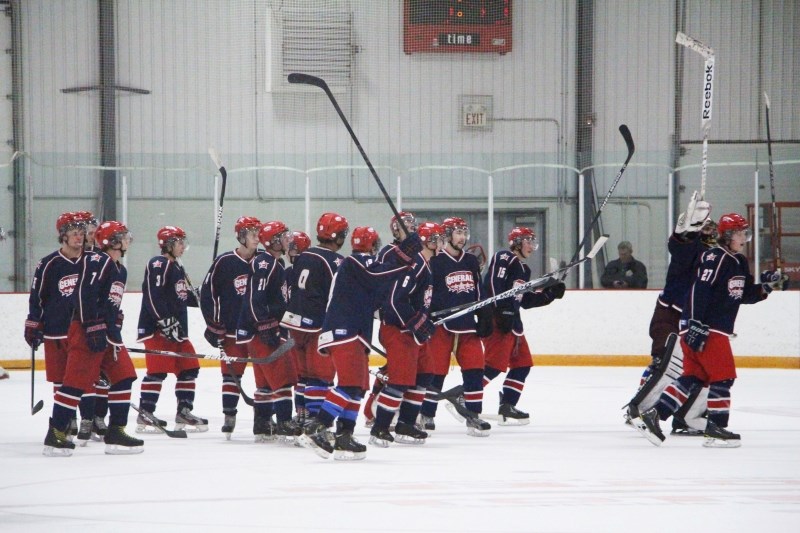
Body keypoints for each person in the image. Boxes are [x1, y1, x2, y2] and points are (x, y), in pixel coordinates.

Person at [631, 213, 789, 448]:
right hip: (707, 329)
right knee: (723, 377)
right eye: (739, 233)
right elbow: (699, 290)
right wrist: (695, 324)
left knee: (692, 378)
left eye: (745, 232)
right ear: (727, 236)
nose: (744, 237)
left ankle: (654, 415)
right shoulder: (716, 257)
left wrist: (767, 286)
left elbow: (742, 294)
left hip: (706, 329)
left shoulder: (738, 261)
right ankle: (716, 428)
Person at [301, 226, 417, 459]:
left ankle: (345, 436)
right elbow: (379, 274)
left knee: (357, 388)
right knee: (348, 384)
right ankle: (317, 427)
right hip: (345, 332)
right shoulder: (356, 262)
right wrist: (405, 253)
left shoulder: (360, 266)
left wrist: (405, 255)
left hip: (353, 333)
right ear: (372, 245)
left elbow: (381, 282)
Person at [43, 221, 142, 456]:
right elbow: (83, 295)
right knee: (75, 383)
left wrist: (115, 318)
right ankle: (56, 433)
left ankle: (116, 431)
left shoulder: (120, 268)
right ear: (112, 241)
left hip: (107, 333)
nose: (128, 239)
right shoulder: (97, 260)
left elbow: (109, 302)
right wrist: (92, 325)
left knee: (124, 376)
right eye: (123, 236)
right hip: (88, 331)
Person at [625, 192, 716, 434]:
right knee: (665, 364)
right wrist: (686, 231)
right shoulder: (689, 248)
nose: (708, 233)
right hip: (670, 314)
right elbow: (679, 246)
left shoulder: (715, 257)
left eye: (710, 229)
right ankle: (641, 408)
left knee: (699, 370)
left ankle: (685, 416)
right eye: (703, 228)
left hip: (693, 321)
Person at [478, 227, 565, 430]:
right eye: (528, 241)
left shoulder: (524, 270)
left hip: (513, 324)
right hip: (497, 320)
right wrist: (500, 311)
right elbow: (493, 284)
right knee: (494, 366)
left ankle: (508, 405)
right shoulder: (504, 257)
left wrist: (549, 294)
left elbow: (524, 300)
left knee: (522, 364)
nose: (532, 247)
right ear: (516, 242)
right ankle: (464, 394)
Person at [418, 216, 493, 433]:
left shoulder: (470, 261)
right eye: (458, 232)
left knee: (475, 371)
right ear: (448, 234)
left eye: (464, 233)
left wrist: (484, 314)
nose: (462, 237)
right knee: (436, 372)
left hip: (468, 325)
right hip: (441, 326)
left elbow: (478, 292)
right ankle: (427, 414)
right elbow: (426, 292)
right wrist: (426, 314)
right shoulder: (435, 260)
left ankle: (473, 415)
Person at [369, 221, 441, 447]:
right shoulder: (416, 263)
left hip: (412, 331)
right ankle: (380, 427)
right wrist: (416, 321)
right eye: (436, 238)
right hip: (398, 330)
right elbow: (394, 300)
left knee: (425, 373)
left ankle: (406, 424)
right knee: (400, 380)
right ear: (427, 241)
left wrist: (424, 319)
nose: (440, 242)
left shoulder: (426, 264)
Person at [135, 226, 208, 433]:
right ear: (168, 244)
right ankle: (145, 413)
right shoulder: (158, 263)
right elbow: (152, 295)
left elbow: (185, 297)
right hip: (159, 329)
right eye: (179, 242)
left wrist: (205, 293)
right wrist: (165, 322)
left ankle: (183, 411)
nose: (183, 246)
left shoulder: (177, 267)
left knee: (189, 367)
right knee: (157, 372)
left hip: (178, 331)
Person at [281, 213, 349, 425]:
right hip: (318, 326)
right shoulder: (336, 261)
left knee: (304, 376)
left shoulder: (304, 256)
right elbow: (340, 296)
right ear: (338, 236)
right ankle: (314, 421)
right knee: (320, 377)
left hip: (295, 323)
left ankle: (301, 416)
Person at [236, 221, 300, 443]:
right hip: (261, 330)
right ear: (273, 240)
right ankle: (283, 423)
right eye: (283, 236)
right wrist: (265, 325)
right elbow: (256, 297)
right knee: (282, 378)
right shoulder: (265, 262)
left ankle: (262, 424)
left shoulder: (274, 262)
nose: (287, 240)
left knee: (264, 382)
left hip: (260, 329)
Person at [200, 216, 261, 439]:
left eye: (258, 232)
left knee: (264, 376)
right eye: (251, 233)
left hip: (257, 332)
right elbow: (208, 294)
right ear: (241, 236)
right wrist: (213, 323)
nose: (257, 237)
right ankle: (229, 415)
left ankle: (265, 417)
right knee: (230, 375)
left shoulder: (264, 261)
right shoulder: (224, 262)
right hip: (232, 332)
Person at [25, 213, 84, 442]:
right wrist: (33, 322)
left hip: (82, 330)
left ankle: (81, 417)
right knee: (61, 379)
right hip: (56, 330)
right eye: (74, 233)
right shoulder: (49, 263)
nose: (79, 237)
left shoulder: (90, 261)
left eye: (81, 233)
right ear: (63, 236)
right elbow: (37, 296)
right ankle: (64, 420)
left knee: (81, 377)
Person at [73, 211, 110, 442]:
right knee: (80, 375)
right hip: (76, 324)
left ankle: (98, 417)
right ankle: (78, 418)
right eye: (85, 230)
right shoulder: (69, 258)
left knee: (102, 375)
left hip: (99, 322)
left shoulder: (100, 258)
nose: (88, 234)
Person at [284, 230, 311, 420]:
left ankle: (304, 411)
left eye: (293, 248)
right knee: (303, 375)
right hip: (299, 330)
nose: (290, 252)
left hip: (301, 329)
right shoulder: (287, 272)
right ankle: (303, 411)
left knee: (305, 375)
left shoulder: (289, 272)